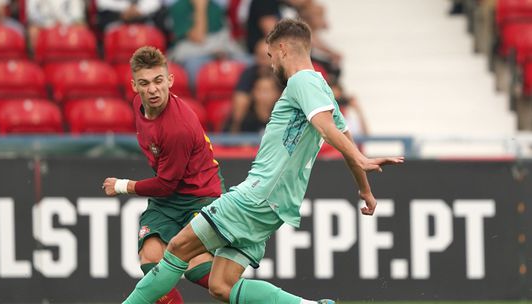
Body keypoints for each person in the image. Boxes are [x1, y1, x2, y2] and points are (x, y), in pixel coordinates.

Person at [122, 19, 404, 304]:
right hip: (274, 208)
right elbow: (344, 139)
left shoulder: (301, 81)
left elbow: (325, 128)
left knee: (177, 249)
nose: (270, 64)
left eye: (270, 56)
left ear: (282, 49)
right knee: (221, 286)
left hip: (256, 196)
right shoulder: (322, 88)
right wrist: (364, 189)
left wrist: (359, 157)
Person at [102, 46, 225, 303]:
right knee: (150, 257)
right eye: (144, 83)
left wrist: (123, 186)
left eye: (158, 81)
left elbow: (166, 184)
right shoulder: (139, 105)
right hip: (169, 199)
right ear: (134, 86)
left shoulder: (177, 128)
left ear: (170, 80)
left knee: (199, 270)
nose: (152, 89)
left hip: (200, 196)